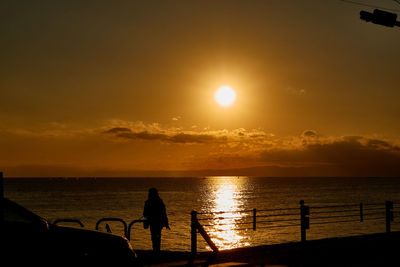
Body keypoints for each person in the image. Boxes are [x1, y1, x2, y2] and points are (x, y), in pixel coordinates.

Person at [143, 188, 170, 253]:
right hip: (159, 222)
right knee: (157, 236)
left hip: (152, 222)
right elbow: (164, 213)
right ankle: (157, 250)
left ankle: (155, 249)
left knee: (154, 236)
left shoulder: (148, 202)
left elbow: (144, 213)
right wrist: (166, 223)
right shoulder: (160, 201)